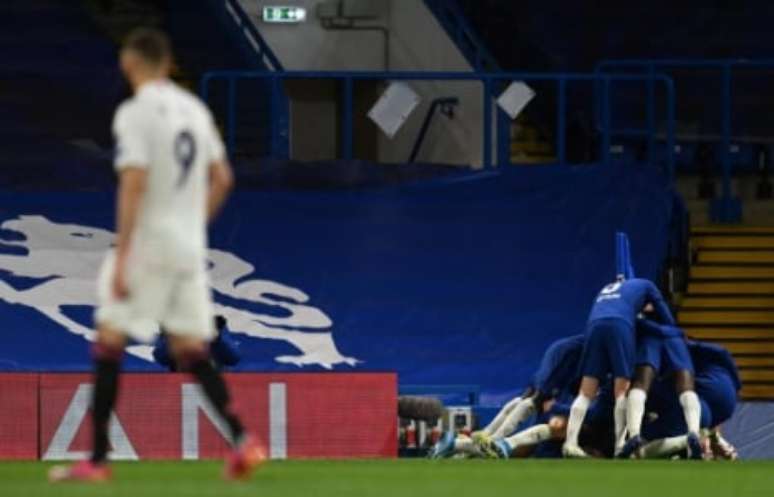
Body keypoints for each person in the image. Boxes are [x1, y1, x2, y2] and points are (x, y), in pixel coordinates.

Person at [49, 27, 263, 483]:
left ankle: (97, 461)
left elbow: (134, 184)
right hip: (186, 243)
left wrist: (126, 251)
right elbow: (222, 178)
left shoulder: (136, 114)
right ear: (168, 64)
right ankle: (243, 442)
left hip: (150, 237)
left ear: (129, 66)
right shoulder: (195, 111)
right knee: (190, 347)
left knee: (108, 339)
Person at [563, 277, 675, 458]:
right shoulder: (648, 285)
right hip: (619, 324)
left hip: (594, 325)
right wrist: (672, 331)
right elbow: (665, 314)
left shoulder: (609, 287)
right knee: (621, 390)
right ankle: (619, 446)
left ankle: (570, 443)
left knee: (586, 391)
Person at [618, 319, 702, 458]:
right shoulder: (668, 311)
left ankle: (634, 436)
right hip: (674, 337)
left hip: (649, 338)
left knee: (641, 383)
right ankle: (694, 433)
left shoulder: (635, 302)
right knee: (686, 385)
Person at [153, 315, 241, 371]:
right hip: (181, 383)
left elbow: (234, 358)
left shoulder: (214, 324)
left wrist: (218, 338)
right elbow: (161, 358)